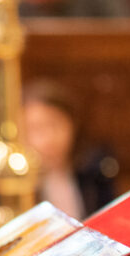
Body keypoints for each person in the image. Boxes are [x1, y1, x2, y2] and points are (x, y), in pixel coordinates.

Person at [22, 78, 118, 219]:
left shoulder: (94, 172)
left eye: (55, 125)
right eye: (37, 129)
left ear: (73, 125)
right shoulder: (15, 187)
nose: (48, 139)